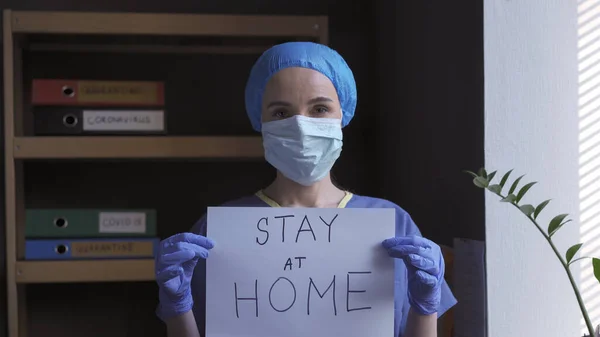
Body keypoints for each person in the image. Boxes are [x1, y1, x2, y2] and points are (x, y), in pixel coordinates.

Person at [154, 41, 457, 337]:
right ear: (260, 120)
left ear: (343, 114)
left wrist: (425, 306)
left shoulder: (392, 223)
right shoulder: (220, 230)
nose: (301, 125)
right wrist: (178, 307)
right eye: (281, 113)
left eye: (320, 108)